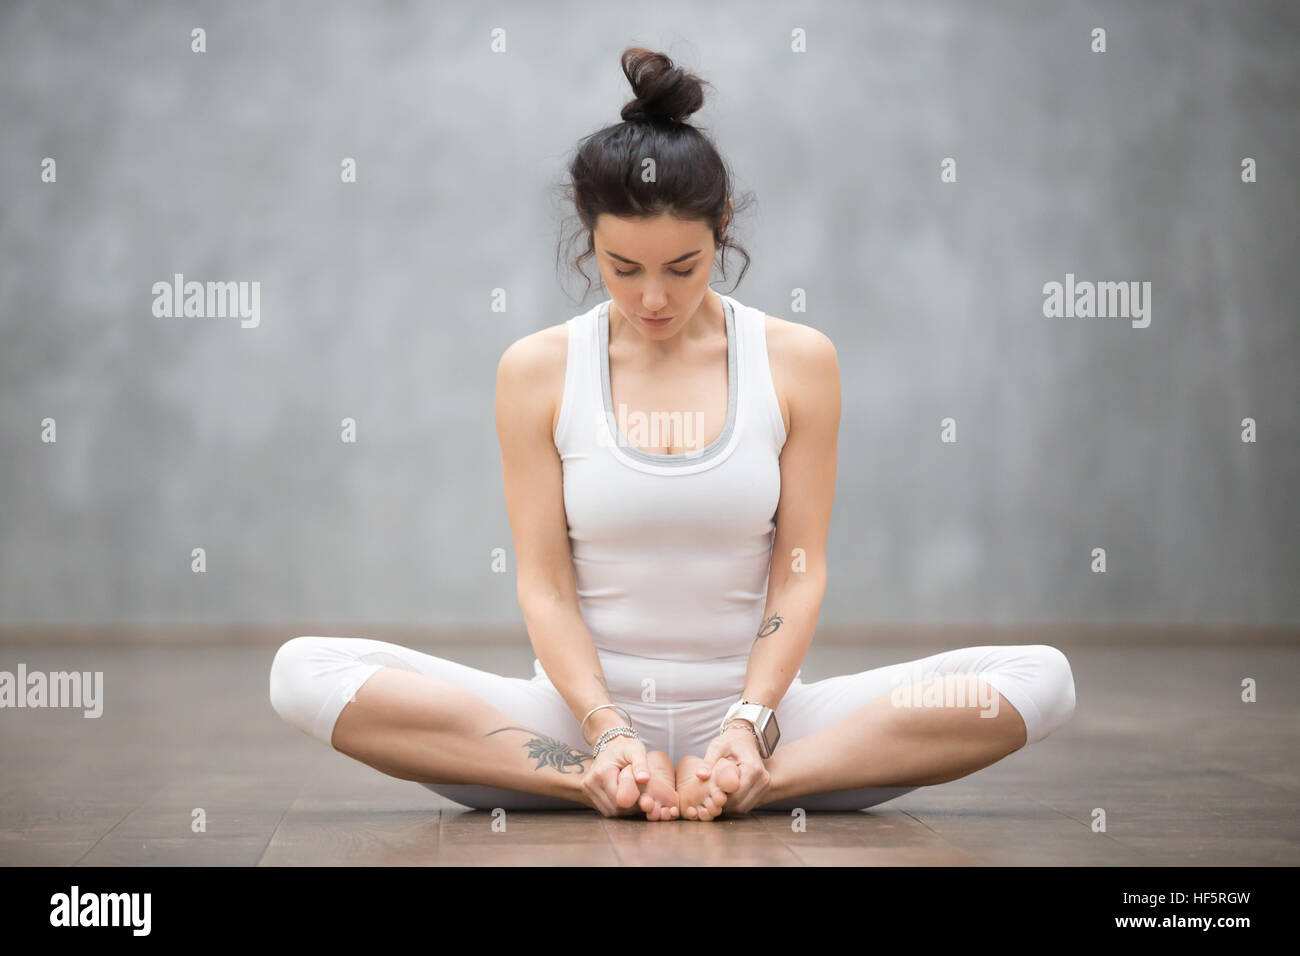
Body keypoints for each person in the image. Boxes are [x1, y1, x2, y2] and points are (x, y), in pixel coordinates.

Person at [269, 47, 1076, 822]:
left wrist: (748, 727)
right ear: (589, 236)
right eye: (624, 268)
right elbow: (544, 586)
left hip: (764, 723)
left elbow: (800, 573)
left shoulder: (798, 362)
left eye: (682, 267)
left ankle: (758, 783)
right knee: (300, 672)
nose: (653, 298)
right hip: (574, 724)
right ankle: (597, 781)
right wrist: (607, 733)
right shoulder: (536, 370)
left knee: (1042, 679)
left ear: (721, 227)